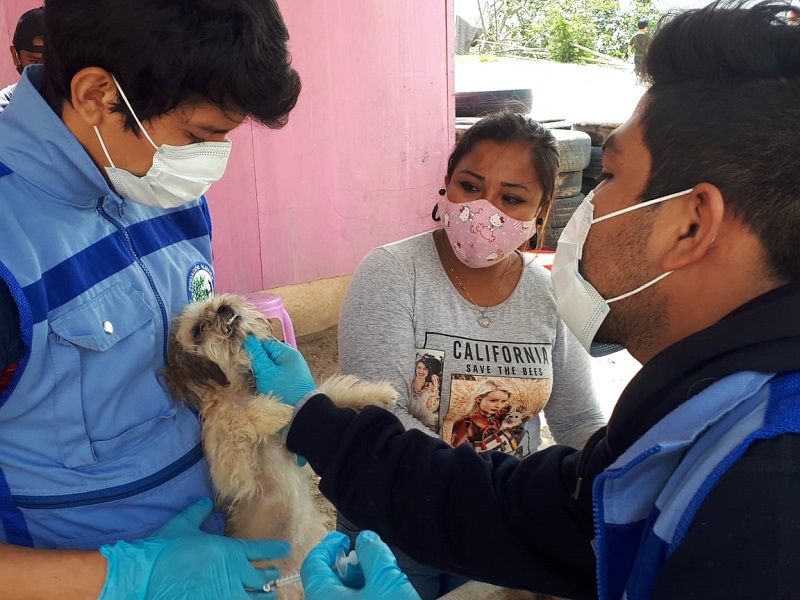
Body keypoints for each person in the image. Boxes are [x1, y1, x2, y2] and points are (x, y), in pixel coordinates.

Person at [249, 2, 800, 599]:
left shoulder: (764, 482)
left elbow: (573, 444)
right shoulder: (701, 413)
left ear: (691, 225)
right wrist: (317, 418)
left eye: (608, 178)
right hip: (411, 532)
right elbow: (571, 504)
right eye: (471, 186)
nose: (592, 208)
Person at [0, 0, 301, 597]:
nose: (211, 160)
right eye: (198, 137)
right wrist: (128, 576)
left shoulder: (155, 180)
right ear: (96, 96)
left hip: (217, 559)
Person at [335, 111, 606, 599]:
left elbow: (578, 418)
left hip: (500, 533)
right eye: (470, 186)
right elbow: (381, 413)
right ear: (447, 185)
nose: (484, 210)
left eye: (511, 199)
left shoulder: (549, 295)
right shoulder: (392, 273)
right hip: (397, 522)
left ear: (541, 212)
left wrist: (606, 486)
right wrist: (488, 496)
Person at [1, 7, 44, 111]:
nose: (48, 70)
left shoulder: (80, 107)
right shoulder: (4, 110)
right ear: (15, 56)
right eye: (36, 62)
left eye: (55, 62)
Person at [627, 19, 652, 85]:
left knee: (637, 66)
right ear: (645, 27)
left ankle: (637, 76)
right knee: (644, 67)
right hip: (644, 55)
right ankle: (642, 78)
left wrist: (629, 52)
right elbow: (650, 45)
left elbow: (630, 45)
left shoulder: (635, 36)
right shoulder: (648, 36)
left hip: (637, 55)